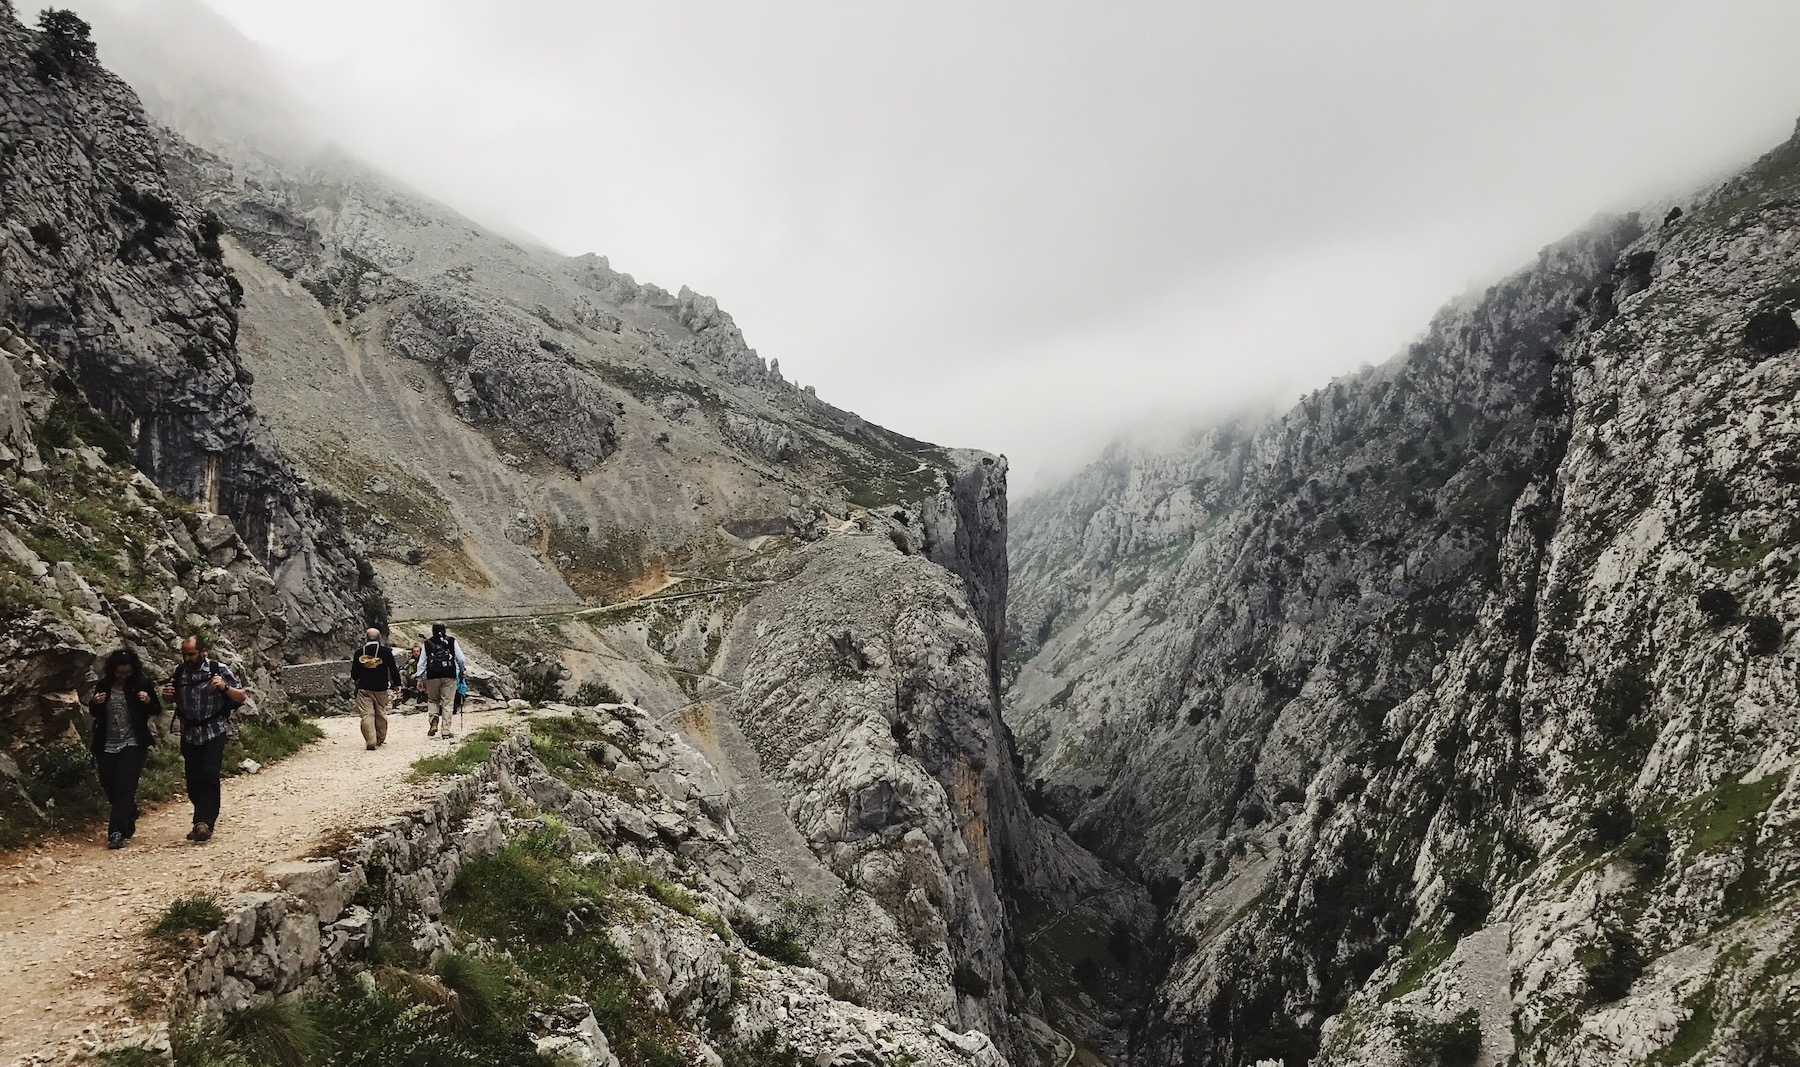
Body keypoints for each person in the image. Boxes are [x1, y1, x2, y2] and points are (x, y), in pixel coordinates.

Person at [159, 635, 246, 843]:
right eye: (184, 654)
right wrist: (167, 695)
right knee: (193, 779)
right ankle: (201, 820)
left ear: (202, 652)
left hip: (214, 730)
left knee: (209, 774)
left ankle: (204, 822)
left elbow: (241, 696)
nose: (187, 658)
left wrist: (224, 687)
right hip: (189, 732)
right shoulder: (179, 672)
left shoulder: (218, 669)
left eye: (191, 654)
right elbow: (169, 699)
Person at [88, 648, 161, 850]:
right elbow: (94, 711)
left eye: (126, 673)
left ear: (133, 670)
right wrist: (95, 702)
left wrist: (147, 701)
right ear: (113, 670)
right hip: (107, 743)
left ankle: (116, 833)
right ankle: (129, 811)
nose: (122, 676)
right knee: (108, 784)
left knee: (124, 786)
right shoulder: (104, 684)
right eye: (119, 672)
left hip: (133, 743)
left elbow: (156, 708)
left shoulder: (141, 684)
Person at [348, 627, 403, 750]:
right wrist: (397, 684)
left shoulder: (359, 652)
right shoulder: (385, 652)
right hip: (381, 688)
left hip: (364, 688)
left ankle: (370, 740)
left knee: (367, 715)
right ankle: (380, 738)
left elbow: (354, 674)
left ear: (366, 638)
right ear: (379, 638)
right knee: (380, 713)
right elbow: (393, 669)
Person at [415, 623, 465, 738]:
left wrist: (419, 678)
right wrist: (462, 670)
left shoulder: (427, 643)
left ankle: (433, 721)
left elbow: (422, 662)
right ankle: (446, 731)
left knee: (433, 700)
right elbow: (461, 659)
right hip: (449, 675)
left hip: (432, 676)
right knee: (447, 702)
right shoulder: (451, 641)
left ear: (432, 631)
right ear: (445, 630)